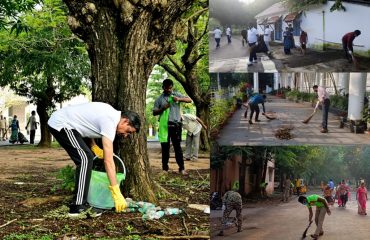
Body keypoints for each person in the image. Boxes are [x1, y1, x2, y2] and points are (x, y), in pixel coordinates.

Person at [48, 102, 141, 217]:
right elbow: (108, 161)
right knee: (85, 159)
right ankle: (77, 207)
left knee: (87, 157)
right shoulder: (110, 122)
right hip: (61, 124)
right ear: (125, 121)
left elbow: (86, 125)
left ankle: (81, 202)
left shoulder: (110, 113)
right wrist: (116, 192)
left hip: (69, 124)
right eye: (128, 131)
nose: (125, 135)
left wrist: (93, 146)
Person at [153, 79, 192, 175]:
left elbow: (189, 100)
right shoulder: (159, 99)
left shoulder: (176, 95)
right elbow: (154, 112)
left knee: (177, 148)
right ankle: (165, 169)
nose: (169, 90)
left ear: (172, 87)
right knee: (165, 148)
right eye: (167, 88)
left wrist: (179, 99)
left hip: (176, 125)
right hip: (164, 126)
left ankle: (182, 168)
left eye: (170, 88)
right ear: (163, 88)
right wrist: (163, 108)